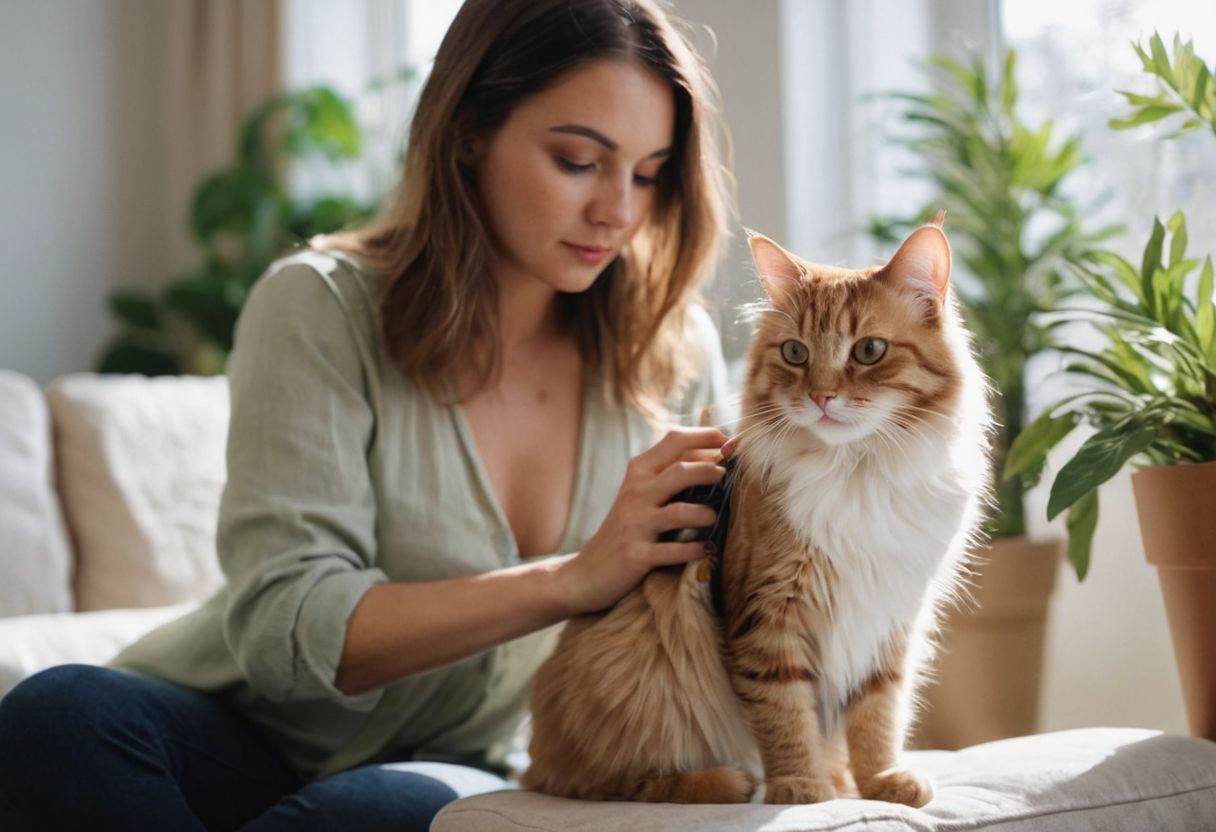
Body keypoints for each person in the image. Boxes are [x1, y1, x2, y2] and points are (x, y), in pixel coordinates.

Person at [0, 0, 735, 828]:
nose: (619, 211)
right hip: (233, 737)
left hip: (455, 769)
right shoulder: (319, 307)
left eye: (649, 174)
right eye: (578, 161)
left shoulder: (671, 352)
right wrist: (569, 580)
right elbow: (285, 626)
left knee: (373, 810)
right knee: (59, 715)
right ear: (467, 132)